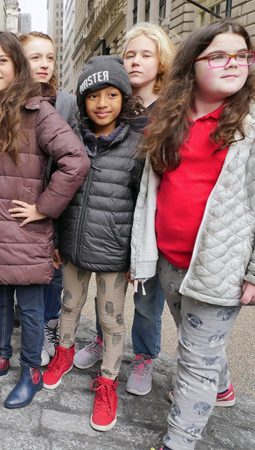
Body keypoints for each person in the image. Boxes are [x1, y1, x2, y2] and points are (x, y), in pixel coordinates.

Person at [132, 19, 255, 450]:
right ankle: (220, 389)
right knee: (194, 339)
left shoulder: (250, 126)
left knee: (194, 362)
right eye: (219, 55)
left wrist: (254, 272)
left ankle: (178, 441)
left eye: (242, 55)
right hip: (170, 261)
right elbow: (154, 189)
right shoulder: (171, 115)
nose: (234, 63)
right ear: (193, 64)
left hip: (218, 268)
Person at [0, 31, 88, 409]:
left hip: (25, 230)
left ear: (17, 65)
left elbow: (76, 161)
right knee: (0, 301)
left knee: (31, 308)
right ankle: (1, 357)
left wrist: (44, 207)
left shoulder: (37, 111)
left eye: (2, 60)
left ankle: (31, 370)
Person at [73, 23, 176, 397]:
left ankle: (145, 355)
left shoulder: (172, 107)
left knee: (147, 297)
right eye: (130, 53)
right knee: (107, 295)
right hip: (111, 219)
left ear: (161, 60)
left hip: (152, 219)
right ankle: (104, 341)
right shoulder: (113, 98)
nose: (136, 61)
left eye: (146, 54)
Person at [42, 55, 143, 431]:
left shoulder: (137, 145)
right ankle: (63, 354)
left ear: (124, 97)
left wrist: (137, 255)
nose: (102, 103)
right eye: (94, 95)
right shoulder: (71, 141)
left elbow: (143, 203)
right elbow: (56, 190)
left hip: (115, 252)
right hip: (72, 246)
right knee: (69, 307)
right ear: (83, 101)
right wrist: (54, 237)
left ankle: (108, 381)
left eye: (112, 94)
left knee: (111, 321)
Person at [17, 31, 82, 367]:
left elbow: (72, 160)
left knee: (53, 269)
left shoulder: (67, 103)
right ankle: (30, 325)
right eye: (34, 57)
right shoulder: (8, 99)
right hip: (19, 202)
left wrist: (47, 207)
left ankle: (48, 324)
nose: (44, 64)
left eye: (49, 57)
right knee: (23, 269)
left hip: (53, 203)